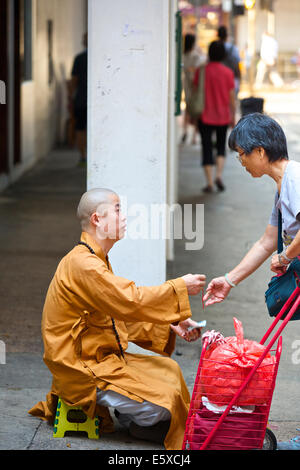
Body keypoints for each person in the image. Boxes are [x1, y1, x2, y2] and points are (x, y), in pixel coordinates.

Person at [28, 188, 207, 450]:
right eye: (118, 209)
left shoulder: (95, 259)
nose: (124, 216)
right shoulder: (82, 264)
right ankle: (134, 418)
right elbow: (129, 300)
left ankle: (129, 410)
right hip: (81, 366)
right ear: (97, 220)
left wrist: (170, 325)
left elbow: (114, 315)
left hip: (101, 357)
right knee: (166, 401)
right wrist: (178, 287)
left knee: (170, 370)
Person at [203, 112, 300, 450]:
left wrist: (287, 257)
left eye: (241, 153)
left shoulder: (295, 180)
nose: (240, 161)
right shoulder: (281, 189)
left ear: (259, 151)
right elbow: (266, 241)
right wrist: (229, 280)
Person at [195, 40, 236, 193]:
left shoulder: (201, 71)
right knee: (220, 147)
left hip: (205, 116)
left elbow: (195, 92)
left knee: (206, 148)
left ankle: (210, 182)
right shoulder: (228, 73)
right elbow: (232, 98)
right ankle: (219, 175)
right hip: (223, 116)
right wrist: (233, 116)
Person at [182, 33, 205, 145]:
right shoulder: (195, 56)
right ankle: (194, 137)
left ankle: (184, 131)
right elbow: (198, 69)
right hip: (194, 86)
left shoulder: (182, 55)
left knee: (187, 110)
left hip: (185, 85)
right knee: (196, 112)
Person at [71, 33, 88, 165]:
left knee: (81, 129)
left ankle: (83, 156)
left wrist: (70, 97)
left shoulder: (79, 58)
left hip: (81, 100)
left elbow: (74, 81)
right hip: (99, 102)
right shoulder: (101, 57)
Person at [217, 25, 241, 96]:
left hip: (218, 78)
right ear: (226, 35)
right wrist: (239, 78)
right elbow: (237, 64)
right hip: (232, 77)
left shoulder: (215, 47)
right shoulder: (233, 48)